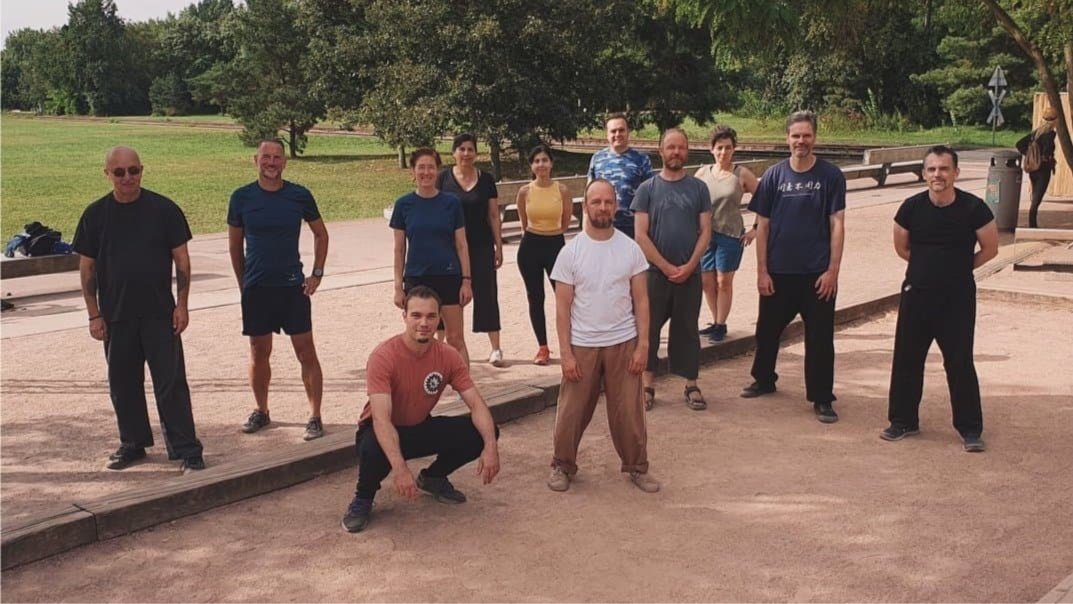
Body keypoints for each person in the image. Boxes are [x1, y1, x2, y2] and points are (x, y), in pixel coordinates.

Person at [73, 146, 205, 472]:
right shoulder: (95, 215)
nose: (128, 177)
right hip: (116, 315)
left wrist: (183, 305)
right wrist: (94, 314)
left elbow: (182, 262)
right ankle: (133, 443)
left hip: (161, 312)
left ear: (142, 170)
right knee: (123, 383)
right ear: (108, 174)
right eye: (120, 172)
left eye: (134, 170)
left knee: (171, 383)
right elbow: (87, 269)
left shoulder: (164, 209)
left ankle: (186, 448)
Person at [341, 286, 501, 533]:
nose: (423, 323)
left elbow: (477, 404)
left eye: (430, 316)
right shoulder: (384, 356)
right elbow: (381, 420)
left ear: (439, 319)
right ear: (404, 316)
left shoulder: (448, 356)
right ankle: (363, 498)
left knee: (483, 430)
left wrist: (491, 447)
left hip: (419, 426)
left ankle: (433, 477)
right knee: (373, 447)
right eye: (416, 315)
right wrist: (400, 468)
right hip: (381, 429)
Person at [883, 146, 998, 452]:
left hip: (957, 298)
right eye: (932, 169)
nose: (938, 175)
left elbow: (990, 249)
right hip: (916, 296)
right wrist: (927, 270)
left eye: (944, 169)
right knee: (907, 360)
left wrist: (958, 269)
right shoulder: (910, 208)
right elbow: (902, 249)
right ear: (924, 174)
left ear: (955, 173)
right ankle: (903, 421)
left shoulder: (975, 209)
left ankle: (970, 428)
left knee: (960, 362)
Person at [547, 179, 659, 493]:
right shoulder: (570, 253)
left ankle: (637, 466)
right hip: (582, 344)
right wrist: (566, 353)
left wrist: (643, 345)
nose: (602, 207)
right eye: (596, 202)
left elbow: (641, 301)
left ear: (616, 205)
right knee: (572, 411)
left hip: (622, 343)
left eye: (608, 202)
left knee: (629, 412)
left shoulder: (630, 250)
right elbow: (562, 308)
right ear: (586, 205)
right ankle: (562, 465)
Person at [743, 111, 846, 425]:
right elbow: (763, 226)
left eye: (806, 135)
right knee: (767, 331)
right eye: (795, 136)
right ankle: (764, 379)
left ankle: (822, 397)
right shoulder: (774, 176)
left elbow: (837, 224)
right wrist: (761, 271)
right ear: (787, 139)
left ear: (815, 137)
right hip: (779, 272)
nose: (801, 141)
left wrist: (833, 271)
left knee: (820, 338)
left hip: (817, 274)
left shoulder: (830, 176)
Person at [228, 139, 330, 441]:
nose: (271, 162)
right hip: (257, 288)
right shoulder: (241, 197)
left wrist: (317, 274)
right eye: (266, 157)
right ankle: (262, 410)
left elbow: (321, 235)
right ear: (255, 160)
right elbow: (235, 245)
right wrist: (243, 283)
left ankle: (314, 415)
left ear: (284, 162)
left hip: (292, 288)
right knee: (259, 353)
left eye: (277, 157)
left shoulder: (299, 195)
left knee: (306, 353)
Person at [632, 128, 712, 411]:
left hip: (690, 273)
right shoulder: (647, 190)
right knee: (649, 330)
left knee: (688, 330)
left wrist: (690, 266)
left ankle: (691, 384)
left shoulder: (699, 189)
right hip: (655, 275)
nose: (676, 152)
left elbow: (705, 231)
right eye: (670, 147)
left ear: (687, 151)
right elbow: (640, 235)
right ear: (660, 151)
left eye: (681, 147)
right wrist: (665, 266)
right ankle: (647, 386)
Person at [391, 148, 473, 365]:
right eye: (421, 167)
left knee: (455, 338)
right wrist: (398, 287)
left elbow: (462, 245)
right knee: (418, 337)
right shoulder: (403, 205)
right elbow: (399, 250)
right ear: (413, 171)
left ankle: (464, 385)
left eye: (431, 167)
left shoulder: (451, 203)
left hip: (448, 275)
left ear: (437, 171)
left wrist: (466, 281)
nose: (426, 172)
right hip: (417, 277)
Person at [436, 134, 505, 366]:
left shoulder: (485, 180)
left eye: (470, 149)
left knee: (487, 294)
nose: (466, 153)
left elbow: (493, 215)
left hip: (481, 245)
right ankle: (442, 347)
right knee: (448, 297)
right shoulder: (443, 178)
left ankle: (495, 348)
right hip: (450, 248)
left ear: (476, 153)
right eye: (461, 149)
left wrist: (499, 245)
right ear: (454, 152)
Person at [695, 125, 759, 343]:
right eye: (720, 148)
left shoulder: (741, 174)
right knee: (707, 281)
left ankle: (721, 324)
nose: (724, 152)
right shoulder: (702, 173)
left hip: (730, 235)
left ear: (734, 149)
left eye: (728, 148)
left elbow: (764, 200)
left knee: (724, 281)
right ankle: (714, 320)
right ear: (712, 149)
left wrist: (755, 229)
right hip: (705, 235)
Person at [515, 144, 573, 365]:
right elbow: (523, 220)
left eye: (545, 160)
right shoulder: (525, 191)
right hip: (530, 246)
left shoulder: (562, 190)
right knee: (535, 297)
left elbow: (566, 220)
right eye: (536, 161)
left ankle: (569, 344)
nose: (541, 165)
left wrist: (555, 234)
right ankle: (543, 347)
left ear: (551, 163)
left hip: (555, 245)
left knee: (564, 297)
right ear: (532, 165)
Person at [587, 113, 654, 238]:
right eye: (613, 131)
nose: (617, 134)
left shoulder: (641, 159)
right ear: (607, 135)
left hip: (633, 227)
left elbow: (650, 196)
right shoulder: (597, 159)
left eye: (621, 130)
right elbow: (589, 195)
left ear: (628, 132)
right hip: (603, 225)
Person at [1016, 106, 1059, 228]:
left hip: (1033, 169)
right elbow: (1047, 151)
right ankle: (1032, 224)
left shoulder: (1036, 132)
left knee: (1035, 195)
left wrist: (1030, 155)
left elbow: (1019, 144)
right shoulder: (1050, 134)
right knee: (1037, 198)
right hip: (1044, 169)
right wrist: (1044, 157)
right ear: (1055, 120)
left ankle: (1032, 223)